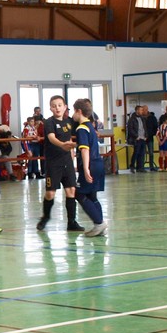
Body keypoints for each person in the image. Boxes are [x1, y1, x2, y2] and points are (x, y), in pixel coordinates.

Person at [38, 95, 84, 232]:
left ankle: (72, 222)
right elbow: (51, 138)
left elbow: (82, 126)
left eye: (59, 105)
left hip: (67, 162)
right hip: (53, 163)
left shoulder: (70, 122)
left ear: (65, 107)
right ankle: (45, 217)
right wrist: (62, 145)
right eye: (54, 106)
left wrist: (92, 131)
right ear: (50, 108)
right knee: (50, 193)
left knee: (71, 191)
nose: (57, 108)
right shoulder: (49, 122)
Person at [72, 98, 107, 237]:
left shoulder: (81, 128)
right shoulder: (91, 126)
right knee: (92, 195)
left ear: (79, 111)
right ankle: (100, 225)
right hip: (98, 163)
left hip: (91, 164)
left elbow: (85, 149)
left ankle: (99, 223)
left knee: (79, 194)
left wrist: (85, 168)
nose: (73, 115)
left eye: (74, 111)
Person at [126, 106, 147, 172]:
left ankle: (140, 167)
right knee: (136, 153)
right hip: (137, 139)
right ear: (137, 110)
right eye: (141, 110)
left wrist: (146, 135)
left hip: (143, 138)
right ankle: (132, 166)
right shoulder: (132, 119)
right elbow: (130, 129)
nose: (142, 111)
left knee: (142, 153)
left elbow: (144, 128)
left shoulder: (143, 118)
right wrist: (136, 136)